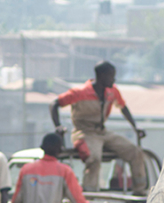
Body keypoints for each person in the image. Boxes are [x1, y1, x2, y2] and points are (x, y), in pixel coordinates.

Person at [51, 61, 148, 194]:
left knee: (135, 152)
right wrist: (58, 126)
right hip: (84, 133)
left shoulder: (112, 91)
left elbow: (123, 107)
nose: (114, 80)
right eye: (111, 76)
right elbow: (54, 104)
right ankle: (90, 194)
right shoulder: (80, 92)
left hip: (102, 132)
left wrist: (135, 127)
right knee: (94, 158)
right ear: (101, 76)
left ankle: (140, 191)